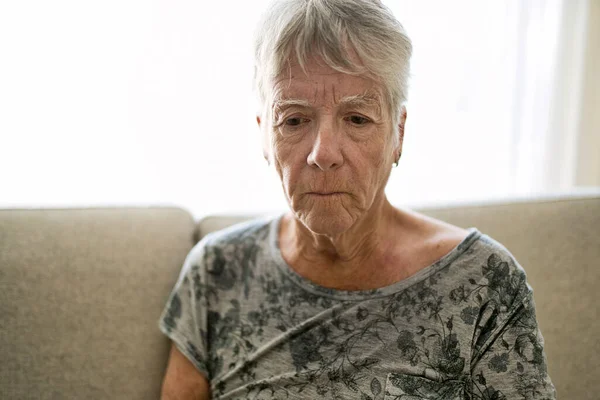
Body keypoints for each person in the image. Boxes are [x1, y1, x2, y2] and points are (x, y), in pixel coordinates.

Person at [158, 0, 556, 399]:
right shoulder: (216, 273)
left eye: (357, 119)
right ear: (265, 135)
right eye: (294, 120)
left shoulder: (482, 280)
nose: (323, 153)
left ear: (398, 133)